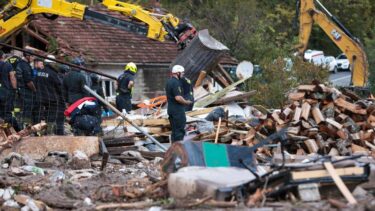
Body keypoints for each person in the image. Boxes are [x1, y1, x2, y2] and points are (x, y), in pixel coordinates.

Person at [34, 58, 64, 135]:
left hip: (40, 98)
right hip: (51, 99)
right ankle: (48, 132)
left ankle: (37, 132)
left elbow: (35, 84)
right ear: (51, 63)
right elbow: (59, 86)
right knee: (50, 117)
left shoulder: (39, 72)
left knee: (39, 116)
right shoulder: (53, 73)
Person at [165, 65, 192, 142]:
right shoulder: (176, 83)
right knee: (179, 132)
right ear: (178, 73)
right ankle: (178, 151)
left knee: (174, 132)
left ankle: (173, 150)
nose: (183, 75)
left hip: (171, 110)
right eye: (182, 73)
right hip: (177, 111)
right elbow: (178, 97)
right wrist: (186, 102)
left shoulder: (169, 82)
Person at [15, 50, 37, 128]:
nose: (33, 58)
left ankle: (22, 126)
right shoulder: (25, 66)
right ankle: (26, 127)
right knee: (27, 109)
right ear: (27, 56)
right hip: (26, 90)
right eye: (32, 56)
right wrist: (35, 90)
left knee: (22, 109)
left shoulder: (20, 64)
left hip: (21, 89)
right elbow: (28, 81)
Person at [0, 50, 19, 131]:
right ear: (2, 56)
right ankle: (18, 130)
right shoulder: (7, 65)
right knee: (7, 114)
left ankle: (5, 131)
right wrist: (15, 89)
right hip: (5, 93)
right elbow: (12, 78)